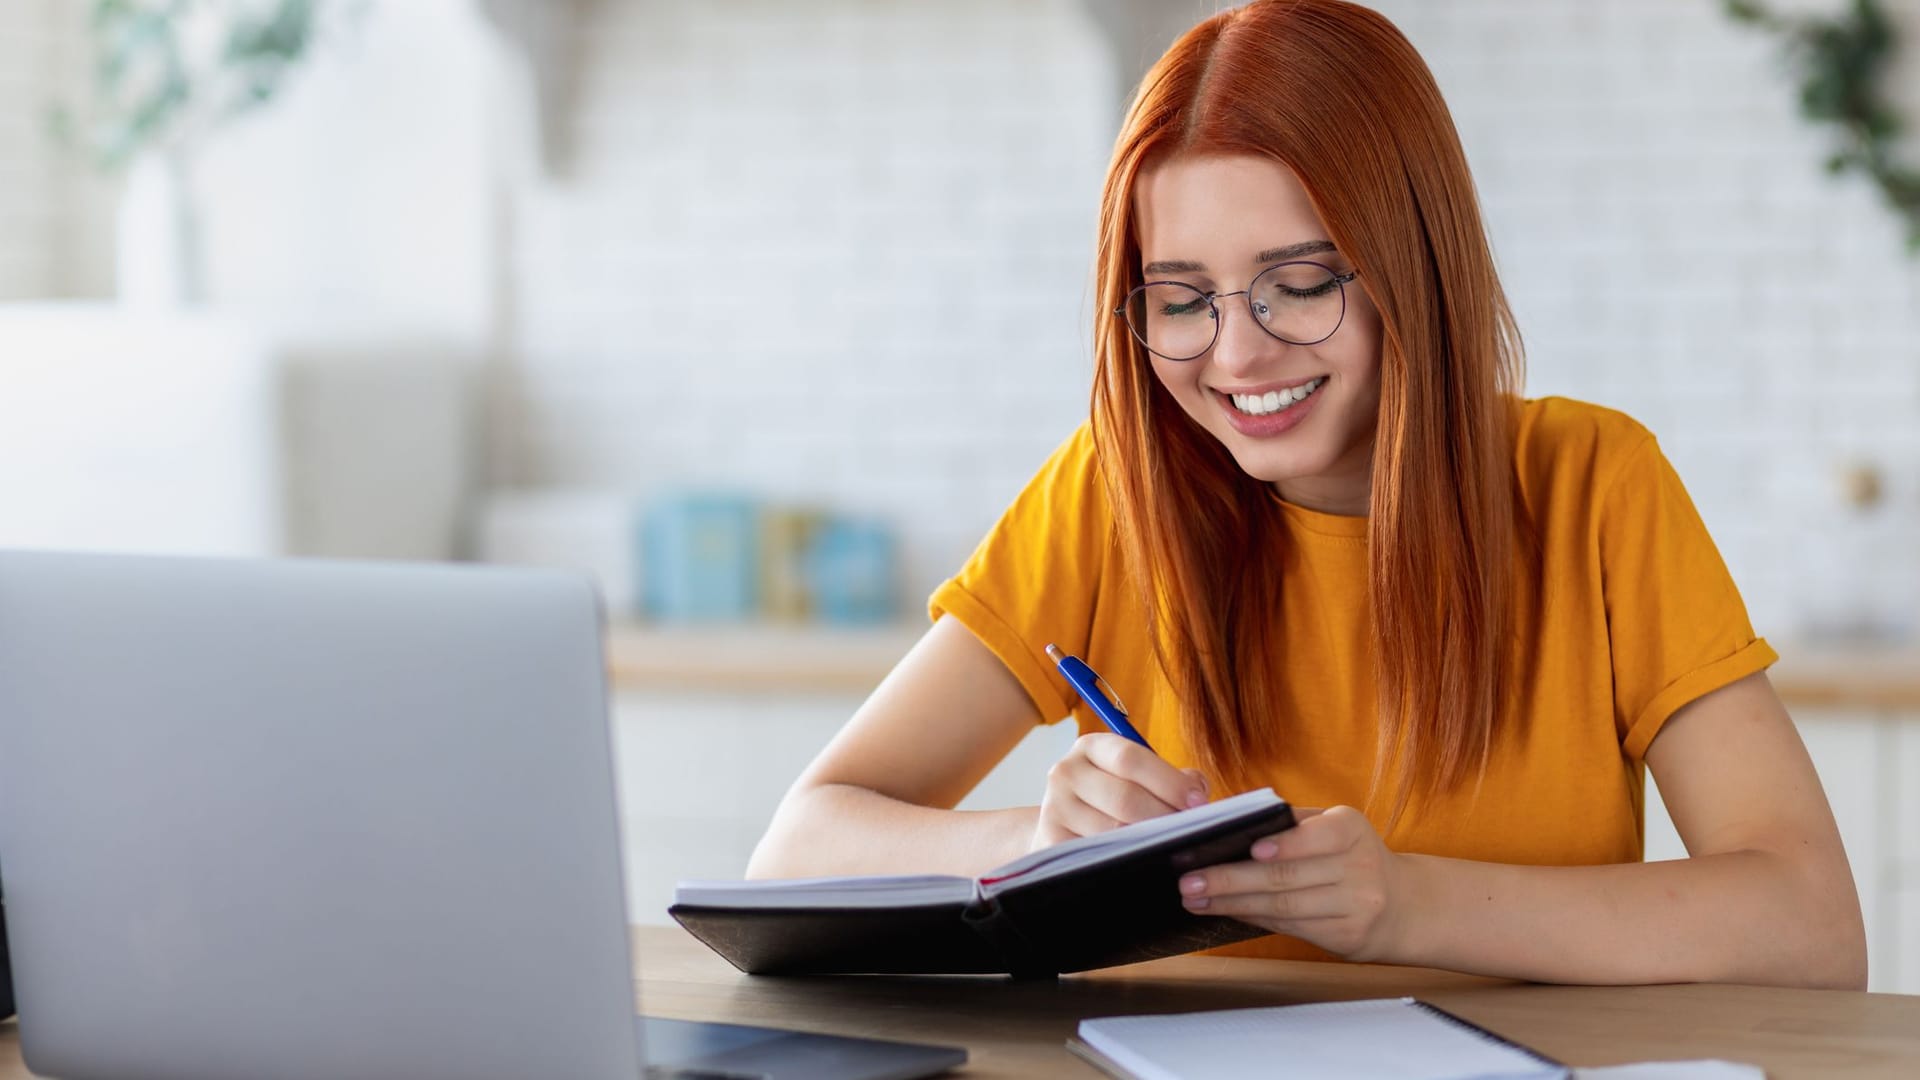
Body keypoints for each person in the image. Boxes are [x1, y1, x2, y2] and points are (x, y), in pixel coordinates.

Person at [747, 0, 1865, 989]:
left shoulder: (1591, 488)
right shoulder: (1113, 490)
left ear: (1410, 268)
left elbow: (1809, 927)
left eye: (1298, 284)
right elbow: (797, 846)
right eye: (1180, 300)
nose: (1236, 353)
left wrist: (1407, 904)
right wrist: (1037, 835)